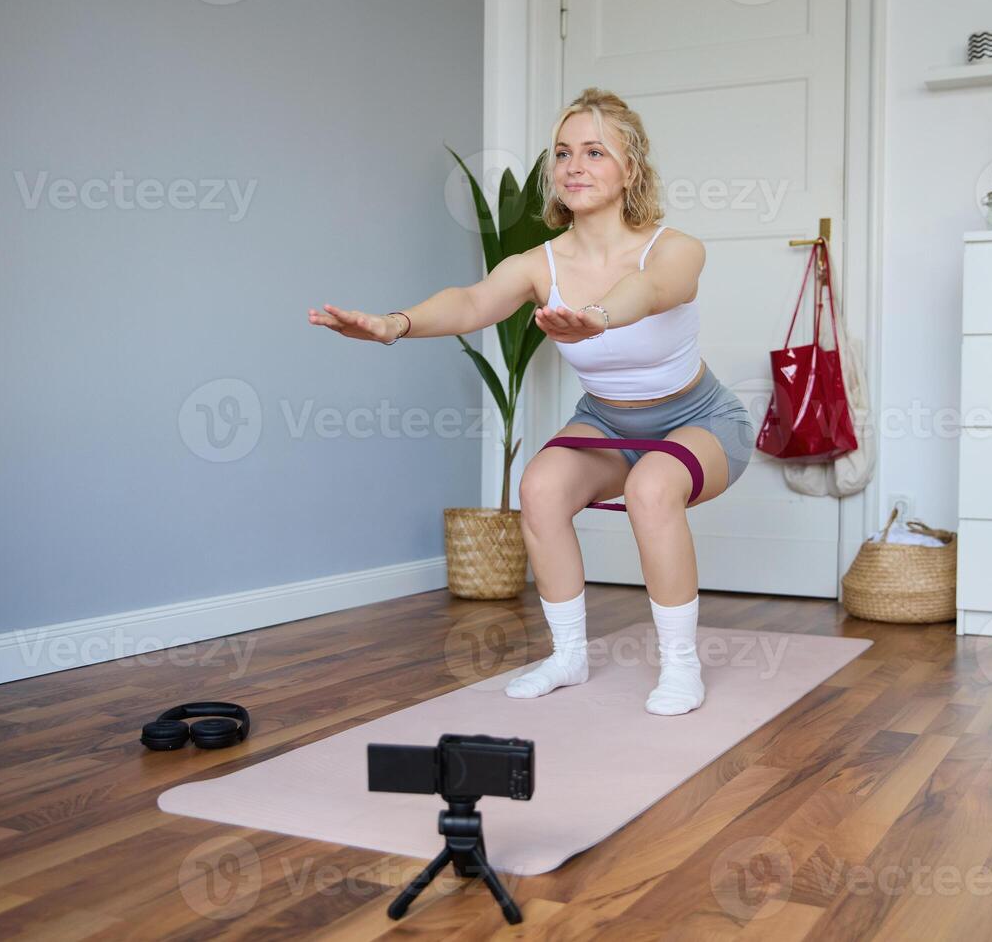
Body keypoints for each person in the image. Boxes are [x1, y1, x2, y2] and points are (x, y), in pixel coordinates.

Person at [308, 87, 755, 715]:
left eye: (595, 151)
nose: (574, 165)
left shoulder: (675, 248)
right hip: (606, 422)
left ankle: (680, 668)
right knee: (540, 486)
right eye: (564, 152)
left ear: (632, 169)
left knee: (652, 489)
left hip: (701, 421)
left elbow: (650, 291)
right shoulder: (540, 262)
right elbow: (470, 302)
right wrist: (393, 324)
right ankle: (568, 656)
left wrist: (597, 318)